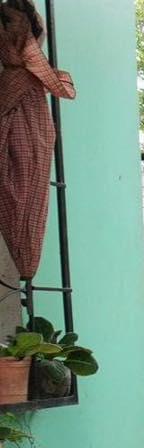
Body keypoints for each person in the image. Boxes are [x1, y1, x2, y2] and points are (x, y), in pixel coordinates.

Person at [0, 0, 75, 281]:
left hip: (33, 124)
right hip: (32, 121)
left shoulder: (27, 81)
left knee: (26, 186)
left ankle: (23, 257)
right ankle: (23, 258)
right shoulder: (23, 80)